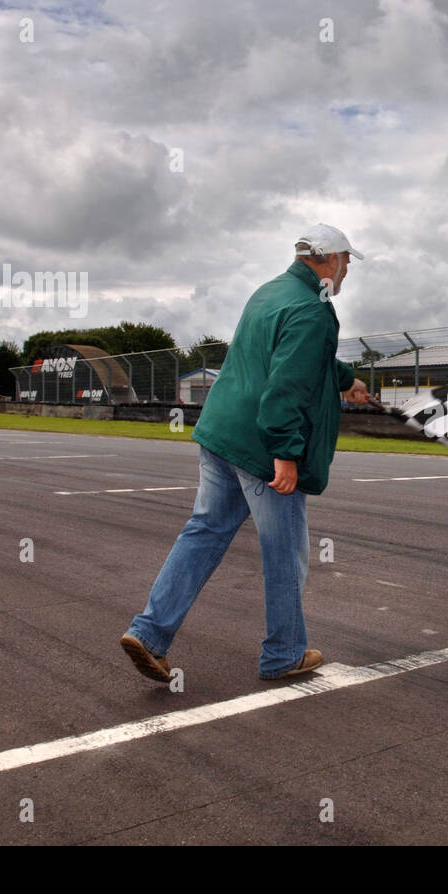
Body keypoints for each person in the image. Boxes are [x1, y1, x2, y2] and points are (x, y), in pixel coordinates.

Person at [120, 223, 370, 684]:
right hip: (260, 447)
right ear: (328, 259)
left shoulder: (269, 292)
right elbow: (286, 385)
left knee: (204, 532)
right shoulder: (313, 311)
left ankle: (150, 633)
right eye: (347, 260)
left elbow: (287, 356)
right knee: (284, 551)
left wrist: (345, 379)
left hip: (220, 434)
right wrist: (286, 454)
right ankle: (284, 653)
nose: (349, 269)